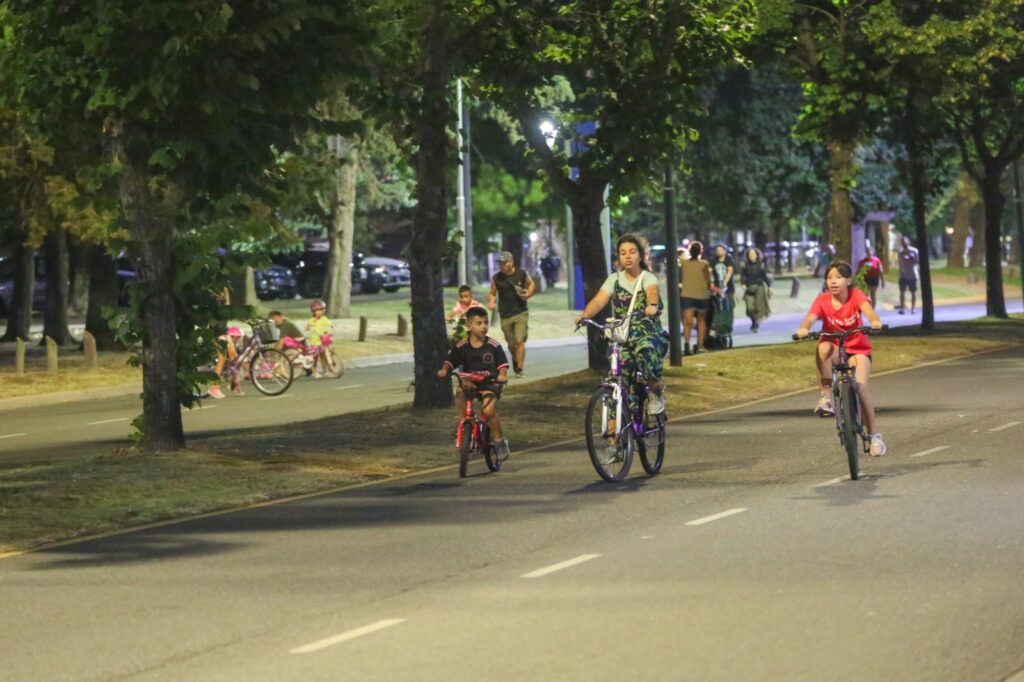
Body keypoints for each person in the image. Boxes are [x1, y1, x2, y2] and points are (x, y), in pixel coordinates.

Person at [795, 260, 886, 455]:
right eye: (829, 277)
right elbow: (810, 318)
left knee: (860, 388)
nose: (833, 281)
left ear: (848, 281)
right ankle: (826, 398)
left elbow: (869, 311)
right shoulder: (822, 300)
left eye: (838, 277)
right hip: (835, 349)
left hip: (858, 350)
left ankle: (874, 436)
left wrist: (875, 321)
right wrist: (803, 329)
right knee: (823, 347)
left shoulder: (856, 295)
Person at [576, 233, 668, 421]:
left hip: (646, 334)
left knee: (645, 352)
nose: (627, 256)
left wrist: (651, 306)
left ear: (640, 256)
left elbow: (652, 291)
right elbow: (599, 300)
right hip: (623, 338)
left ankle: (654, 390)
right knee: (617, 379)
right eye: (623, 253)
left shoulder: (647, 277)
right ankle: (613, 431)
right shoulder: (614, 279)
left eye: (632, 252)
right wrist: (584, 316)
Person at [436, 306, 511, 460]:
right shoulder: (462, 346)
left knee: (488, 411)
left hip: (490, 383)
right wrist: (444, 369)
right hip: (471, 383)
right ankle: (465, 423)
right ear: (469, 326)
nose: (483, 326)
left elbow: (502, 365)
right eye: (479, 323)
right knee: (460, 392)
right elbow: (450, 361)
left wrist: (502, 375)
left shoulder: (493, 345)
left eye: (486, 322)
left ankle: (499, 441)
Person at [489, 251, 535, 378]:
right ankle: (515, 359)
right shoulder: (496, 278)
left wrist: (529, 293)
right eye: (500, 263)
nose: (502, 265)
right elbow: (492, 293)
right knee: (511, 344)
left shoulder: (521, 273)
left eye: (504, 263)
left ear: (511, 262)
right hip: (505, 314)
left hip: (521, 312)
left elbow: (531, 283)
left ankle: (519, 368)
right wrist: (491, 302)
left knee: (519, 341)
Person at [679, 241, 713, 355]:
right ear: (700, 252)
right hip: (702, 295)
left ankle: (687, 344)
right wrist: (709, 287)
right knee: (701, 320)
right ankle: (700, 345)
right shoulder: (704, 264)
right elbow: (708, 279)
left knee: (688, 321)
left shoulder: (684, 264)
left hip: (687, 294)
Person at [740, 247, 772, 332]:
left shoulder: (761, 264)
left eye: (753, 254)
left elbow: (765, 277)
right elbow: (742, 276)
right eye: (750, 254)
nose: (752, 255)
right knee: (749, 307)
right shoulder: (744, 265)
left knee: (759, 306)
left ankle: (756, 324)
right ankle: (754, 320)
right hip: (749, 287)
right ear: (747, 256)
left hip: (759, 286)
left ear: (757, 255)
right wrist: (743, 284)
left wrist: (769, 287)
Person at [209, 326, 245, 399]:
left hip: (224, 332)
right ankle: (214, 387)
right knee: (222, 358)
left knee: (235, 358)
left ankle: (234, 384)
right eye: (236, 337)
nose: (237, 339)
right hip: (217, 333)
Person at [305, 299, 333, 378]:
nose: (320, 312)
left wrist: (332, 324)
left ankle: (327, 370)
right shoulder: (312, 320)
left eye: (321, 309)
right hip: (315, 341)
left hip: (323, 340)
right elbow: (307, 327)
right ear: (313, 311)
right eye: (317, 310)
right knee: (315, 357)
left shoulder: (324, 318)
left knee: (324, 355)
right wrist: (310, 328)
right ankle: (314, 371)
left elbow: (328, 322)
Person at [896, 236, 919, 314]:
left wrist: (910, 258)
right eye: (902, 242)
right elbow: (900, 263)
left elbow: (917, 261)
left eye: (905, 242)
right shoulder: (900, 252)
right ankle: (902, 308)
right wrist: (899, 273)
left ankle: (913, 309)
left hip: (912, 274)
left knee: (913, 292)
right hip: (903, 275)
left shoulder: (914, 251)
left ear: (908, 242)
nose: (903, 243)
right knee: (902, 292)